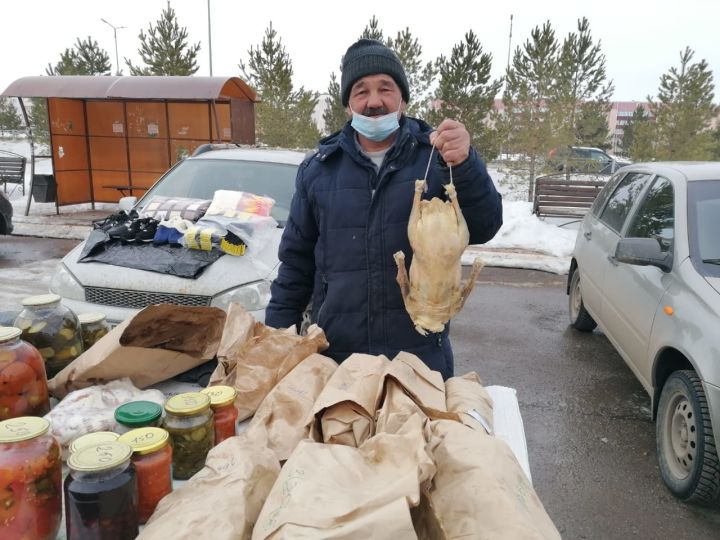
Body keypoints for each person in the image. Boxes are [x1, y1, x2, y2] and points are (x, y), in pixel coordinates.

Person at [265, 38, 503, 379]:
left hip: (419, 358)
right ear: (348, 104)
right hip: (337, 361)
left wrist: (466, 165)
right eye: (361, 91)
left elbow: (485, 226)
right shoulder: (318, 170)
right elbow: (295, 265)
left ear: (402, 98)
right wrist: (276, 339)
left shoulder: (436, 159)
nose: (373, 101)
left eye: (385, 88)